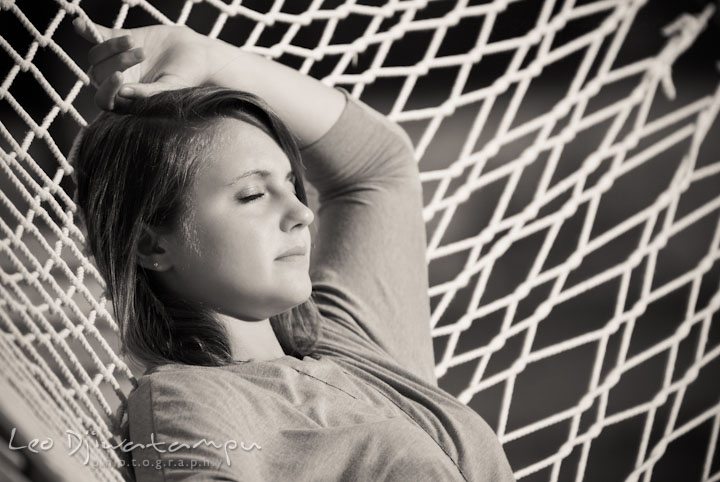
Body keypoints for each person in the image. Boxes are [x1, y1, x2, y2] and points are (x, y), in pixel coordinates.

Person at [71, 17, 515, 482]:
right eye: (253, 195)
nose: (302, 214)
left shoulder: (354, 343)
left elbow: (379, 166)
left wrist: (209, 56)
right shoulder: (188, 399)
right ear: (151, 243)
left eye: (290, 185)